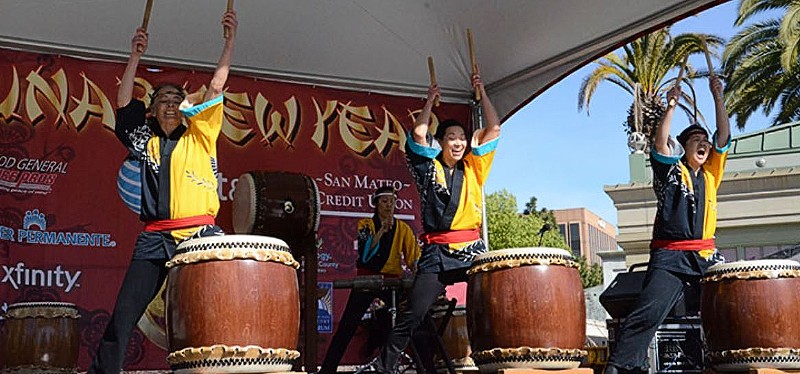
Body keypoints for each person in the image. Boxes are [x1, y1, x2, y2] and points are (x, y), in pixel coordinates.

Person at [88, 10, 237, 373]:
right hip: (155, 238)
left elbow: (216, 86)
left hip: (200, 236)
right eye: (163, 99)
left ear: (186, 110)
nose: (171, 102)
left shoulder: (200, 136)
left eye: (177, 98)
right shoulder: (146, 141)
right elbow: (123, 104)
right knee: (123, 316)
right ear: (152, 111)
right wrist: (135, 56)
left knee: (210, 317)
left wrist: (230, 42)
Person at [374, 71, 501, 373]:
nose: (457, 143)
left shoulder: (474, 168)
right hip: (436, 253)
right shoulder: (427, 168)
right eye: (451, 138)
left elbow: (494, 127)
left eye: (461, 138)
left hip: (471, 250)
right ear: (441, 142)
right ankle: (384, 367)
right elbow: (419, 132)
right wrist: (430, 100)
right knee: (413, 314)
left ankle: (494, 363)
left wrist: (481, 91)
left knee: (491, 306)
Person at [605, 75, 731, 374]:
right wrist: (671, 106)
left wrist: (717, 96)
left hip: (705, 257)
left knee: (727, 308)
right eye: (696, 141)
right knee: (648, 313)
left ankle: (727, 362)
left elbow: (723, 136)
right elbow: (660, 142)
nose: (703, 145)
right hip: (671, 256)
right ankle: (621, 366)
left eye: (705, 142)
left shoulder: (712, 173)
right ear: (683, 147)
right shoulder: (669, 173)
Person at [318, 186, 421, 374]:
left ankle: (404, 365)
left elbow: (413, 258)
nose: (389, 205)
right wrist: (382, 230)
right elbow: (365, 254)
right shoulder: (365, 224)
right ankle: (327, 370)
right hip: (366, 280)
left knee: (404, 322)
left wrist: (417, 272)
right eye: (384, 201)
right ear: (376, 204)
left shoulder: (403, 229)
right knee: (347, 327)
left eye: (392, 201)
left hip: (391, 284)